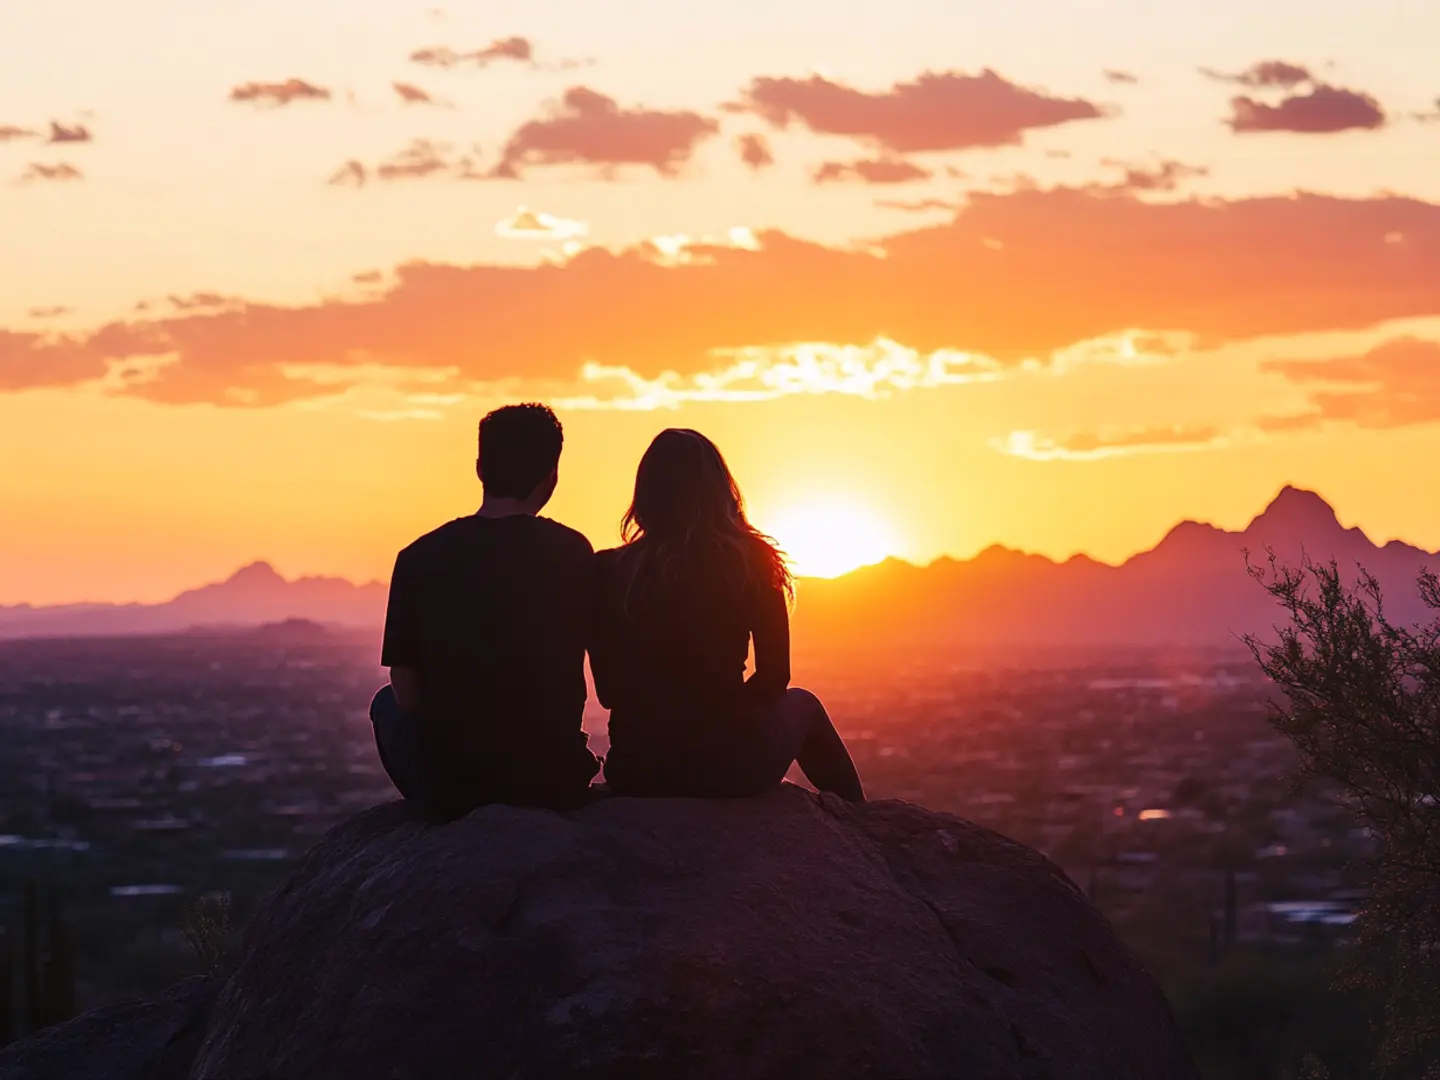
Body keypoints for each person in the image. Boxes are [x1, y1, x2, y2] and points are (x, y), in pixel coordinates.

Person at [591, 428, 865, 801]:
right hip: (727, 767)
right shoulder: (749, 562)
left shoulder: (606, 569)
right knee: (805, 704)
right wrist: (721, 716)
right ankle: (862, 825)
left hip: (637, 769)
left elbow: (608, 691)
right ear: (721, 492)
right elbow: (774, 678)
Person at [371, 403, 600, 821]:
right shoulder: (573, 552)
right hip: (550, 779)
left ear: (480, 468)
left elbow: (405, 689)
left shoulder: (419, 557)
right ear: (552, 475)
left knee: (384, 703)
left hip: (455, 788)